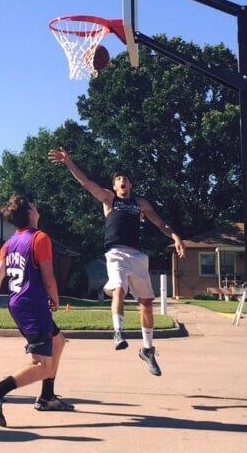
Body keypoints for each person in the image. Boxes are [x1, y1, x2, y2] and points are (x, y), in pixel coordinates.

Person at [48, 148, 185, 376]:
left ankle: (148, 350)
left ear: (130, 186)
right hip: (116, 253)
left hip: (137, 256)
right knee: (120, 289)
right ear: (114, 187)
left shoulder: (140, 203)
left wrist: (176, 237)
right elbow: (86, 182)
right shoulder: (109, 199)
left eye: (125, 180)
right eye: (118, 180)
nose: (122, 182)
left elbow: (161, 224)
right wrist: (69, 162)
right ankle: (119, 332)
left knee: (146, 304)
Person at [0, 195, 73, 428]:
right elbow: (48, 276)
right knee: (43, 366)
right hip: (32, 306)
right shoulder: (39, 238)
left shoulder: (9, 244)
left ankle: (47, 397)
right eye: (34, 205)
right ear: (31, 212)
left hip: (21, 303)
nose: (36, 207)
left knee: (58, 342)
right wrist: (55, 296)